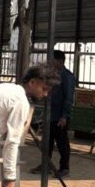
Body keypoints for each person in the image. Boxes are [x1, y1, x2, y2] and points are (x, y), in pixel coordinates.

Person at [32, 49, 74, 177]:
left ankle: (64, 168)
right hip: (50, 114)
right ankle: (46, 165)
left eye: (52, 61)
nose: (50, 63)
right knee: (47, 142)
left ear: (60, 61)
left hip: (60, 116)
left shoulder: (67, 76)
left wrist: (64, 116)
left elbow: (69, 98)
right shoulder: (52, 75)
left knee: (62, 143)